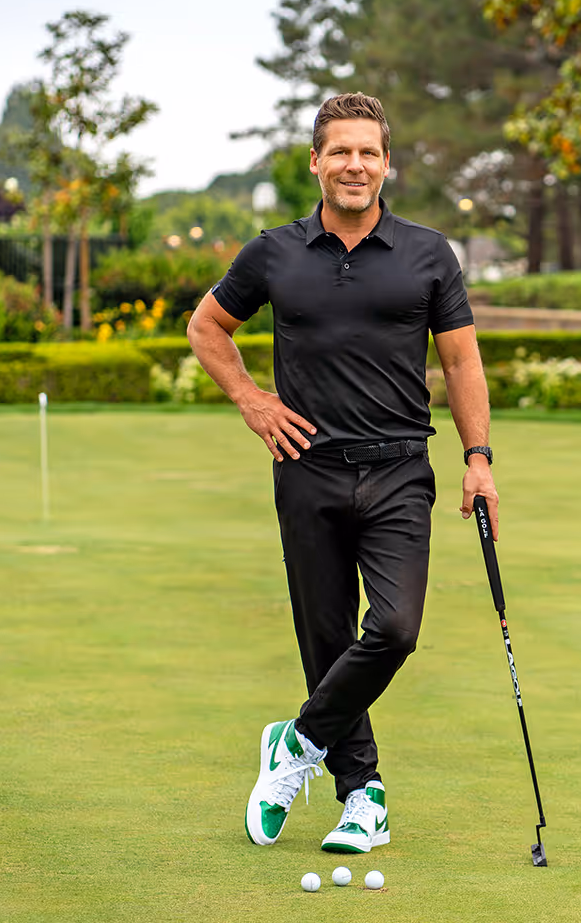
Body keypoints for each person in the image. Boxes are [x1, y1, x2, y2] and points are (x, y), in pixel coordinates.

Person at [187, 92, 499, 855]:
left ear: (387, 163)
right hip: (307, 470)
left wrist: (478, 459)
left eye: (369, 152)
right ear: (318, 162)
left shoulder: (429, 254)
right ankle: (364, 797)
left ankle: (294, 744)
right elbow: (207, 327)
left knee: (393, 629)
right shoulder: (274, 253)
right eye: (341, 151)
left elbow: (460, 359)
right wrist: (252, 401)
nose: (354, 165)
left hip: (399, 471)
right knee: (325, 640)